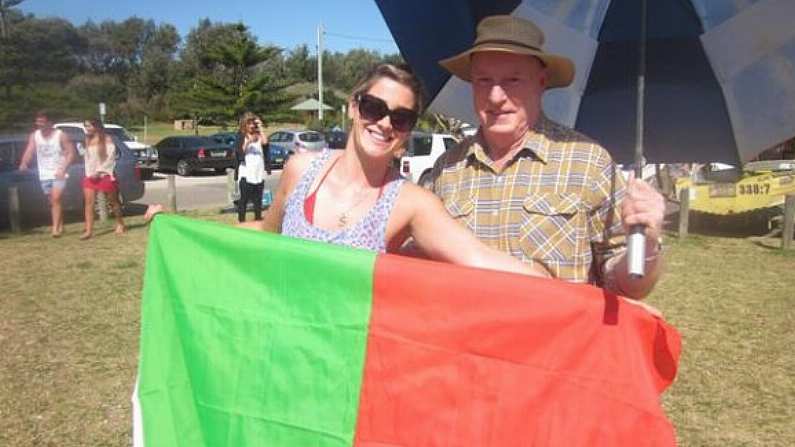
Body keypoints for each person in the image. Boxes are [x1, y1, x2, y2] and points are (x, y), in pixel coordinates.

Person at [429, 15, 666, 299]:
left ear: (541, 82)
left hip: (557, 342)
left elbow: (625, 285)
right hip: (463, 340)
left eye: (512, 80)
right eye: (483, 80)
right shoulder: (447, 169)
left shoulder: (588, 162)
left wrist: (647, 247)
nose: (495, 96)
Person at [250, 64, 549, 277]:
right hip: (281, 344)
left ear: (408, 130)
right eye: (373, 107)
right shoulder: (301, 169)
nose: (384, 124)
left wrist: (549, 285)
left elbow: (476, 256)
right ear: (353, 107)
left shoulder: (410, 202)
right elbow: (266, 235)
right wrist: (202, 238)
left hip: (347, 355)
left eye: (401, 117)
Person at [18, 111, 77, 237]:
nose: (39, 124)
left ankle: (55, 229)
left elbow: (71, 153)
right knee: (53, 201)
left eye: (42, 122)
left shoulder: (61, 135)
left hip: (59, 172)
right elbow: (30, 150)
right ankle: (61, 226)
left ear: (50, 123)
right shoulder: (35, 135)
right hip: (44, 172)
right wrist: (24, 163)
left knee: (56, 198)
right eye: (37, 121)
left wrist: (63, 168)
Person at [80, 118, 126, 239]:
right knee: (88, 203)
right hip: (90, 176)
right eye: (85, 126)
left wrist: (99, 171)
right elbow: (87, 160)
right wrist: (89, 174)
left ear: (96, 126)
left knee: (113, 202)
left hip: (105, 175)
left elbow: (110, 158)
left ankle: (120, 223)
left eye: (89, 126)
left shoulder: (107, 139)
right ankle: (89, 231)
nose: (87, 129)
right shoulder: (87, 140)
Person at [234, 113, 267, 222]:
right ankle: (242, 221)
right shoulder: (241, 136)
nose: (252, 126)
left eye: (253, 123)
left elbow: (265, 142)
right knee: (244, 200)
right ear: (245, 125)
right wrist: (248, 142)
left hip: (258, 173)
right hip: (246, 174)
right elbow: (239, 152)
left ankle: (258, 219)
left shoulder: (258, 135)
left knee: (258, 200)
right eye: (249, 124)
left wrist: (261, 127)